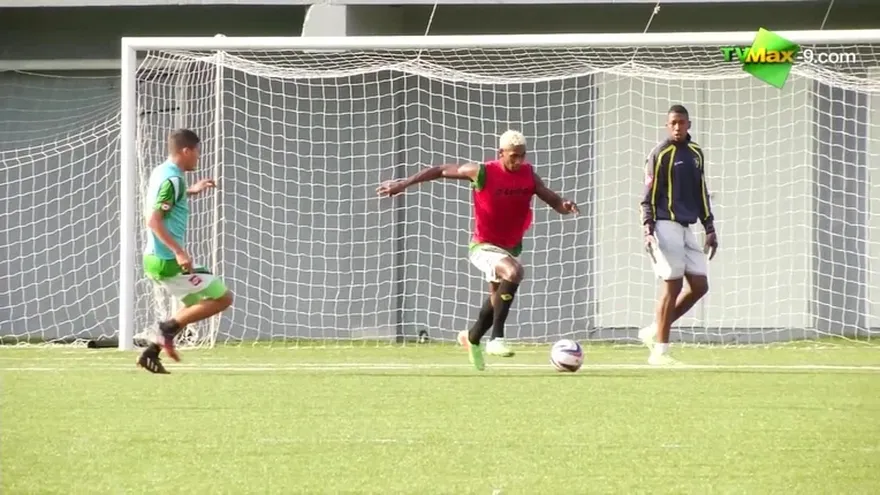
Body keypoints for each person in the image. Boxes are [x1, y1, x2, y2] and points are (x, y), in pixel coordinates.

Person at [377, 130, 579, 370]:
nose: (518, 162)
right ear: (501, 153)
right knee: (514, 273)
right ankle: (497, 338)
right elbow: (441, 170)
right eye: (513, 156)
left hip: (510, 245)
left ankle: (472, 338)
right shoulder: (483, 171)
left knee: (496, 299)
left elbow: (552, 199)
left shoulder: (529, 176)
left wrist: (564, 205)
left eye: (522, 156)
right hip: (483, 245)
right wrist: (403, 183)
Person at [137, 129, 234, 374]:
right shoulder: (173, 179)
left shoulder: (163, 172)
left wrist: (193, 190)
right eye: (197, 153)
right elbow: (154, 220)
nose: (198, 158)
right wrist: (179, 252)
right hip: (167, 260)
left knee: (193, 305)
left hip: (154, 259)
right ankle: (165, 330)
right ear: (186, 151)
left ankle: (151, 353)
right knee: (223, 298)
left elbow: (166, 198)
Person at [639, 105, 718, 365]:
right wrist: (647, 226)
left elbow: (701, 192)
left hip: (686, 227)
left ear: (688, 125)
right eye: (672, 123)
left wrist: (709, 227)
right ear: (666, 125)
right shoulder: (660, 154)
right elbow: (648, 194)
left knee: (699, 286)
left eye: (681, 123)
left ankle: (654, 330)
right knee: (671, 284)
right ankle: (660, 353)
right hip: (664, 224)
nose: (677, 127)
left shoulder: (696, 154)